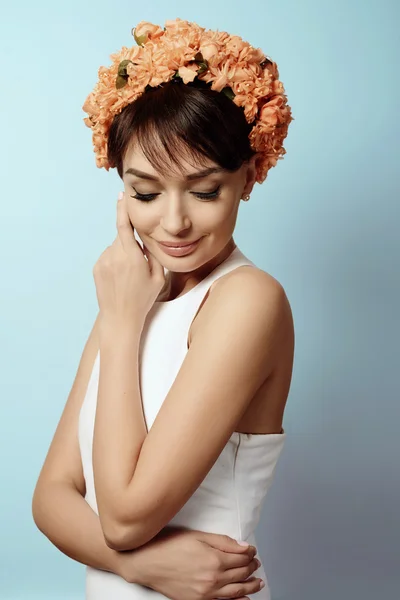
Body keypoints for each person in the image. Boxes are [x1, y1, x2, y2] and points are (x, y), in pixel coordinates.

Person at [32, 18, 294, 600]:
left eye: (204, 192)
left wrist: (122, 325)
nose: (173, 224)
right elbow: (51, 498)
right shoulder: (131, 297)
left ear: (248, 177)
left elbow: (125, 518)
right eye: (145, 193)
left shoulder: (248, 300)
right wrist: (138, 567)